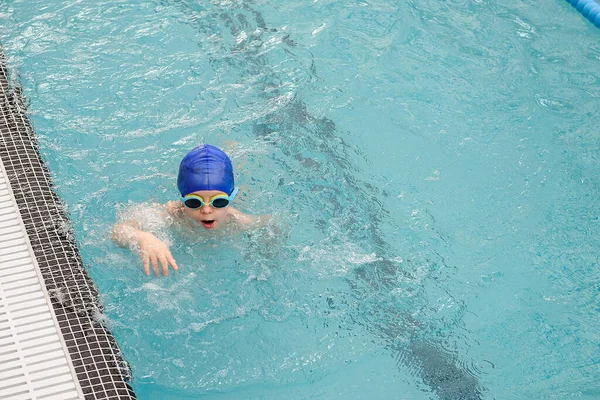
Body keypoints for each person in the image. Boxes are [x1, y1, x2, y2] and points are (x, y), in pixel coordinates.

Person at [111, 144, 268, 276]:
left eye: (219, 202)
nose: (206, 210)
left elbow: (272, 224)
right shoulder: (171, 213)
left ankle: (232, 150)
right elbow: (117, 231)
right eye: (194, 202)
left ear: (230, 197)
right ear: (182, 198)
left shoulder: (237, 220)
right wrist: (143, 237)